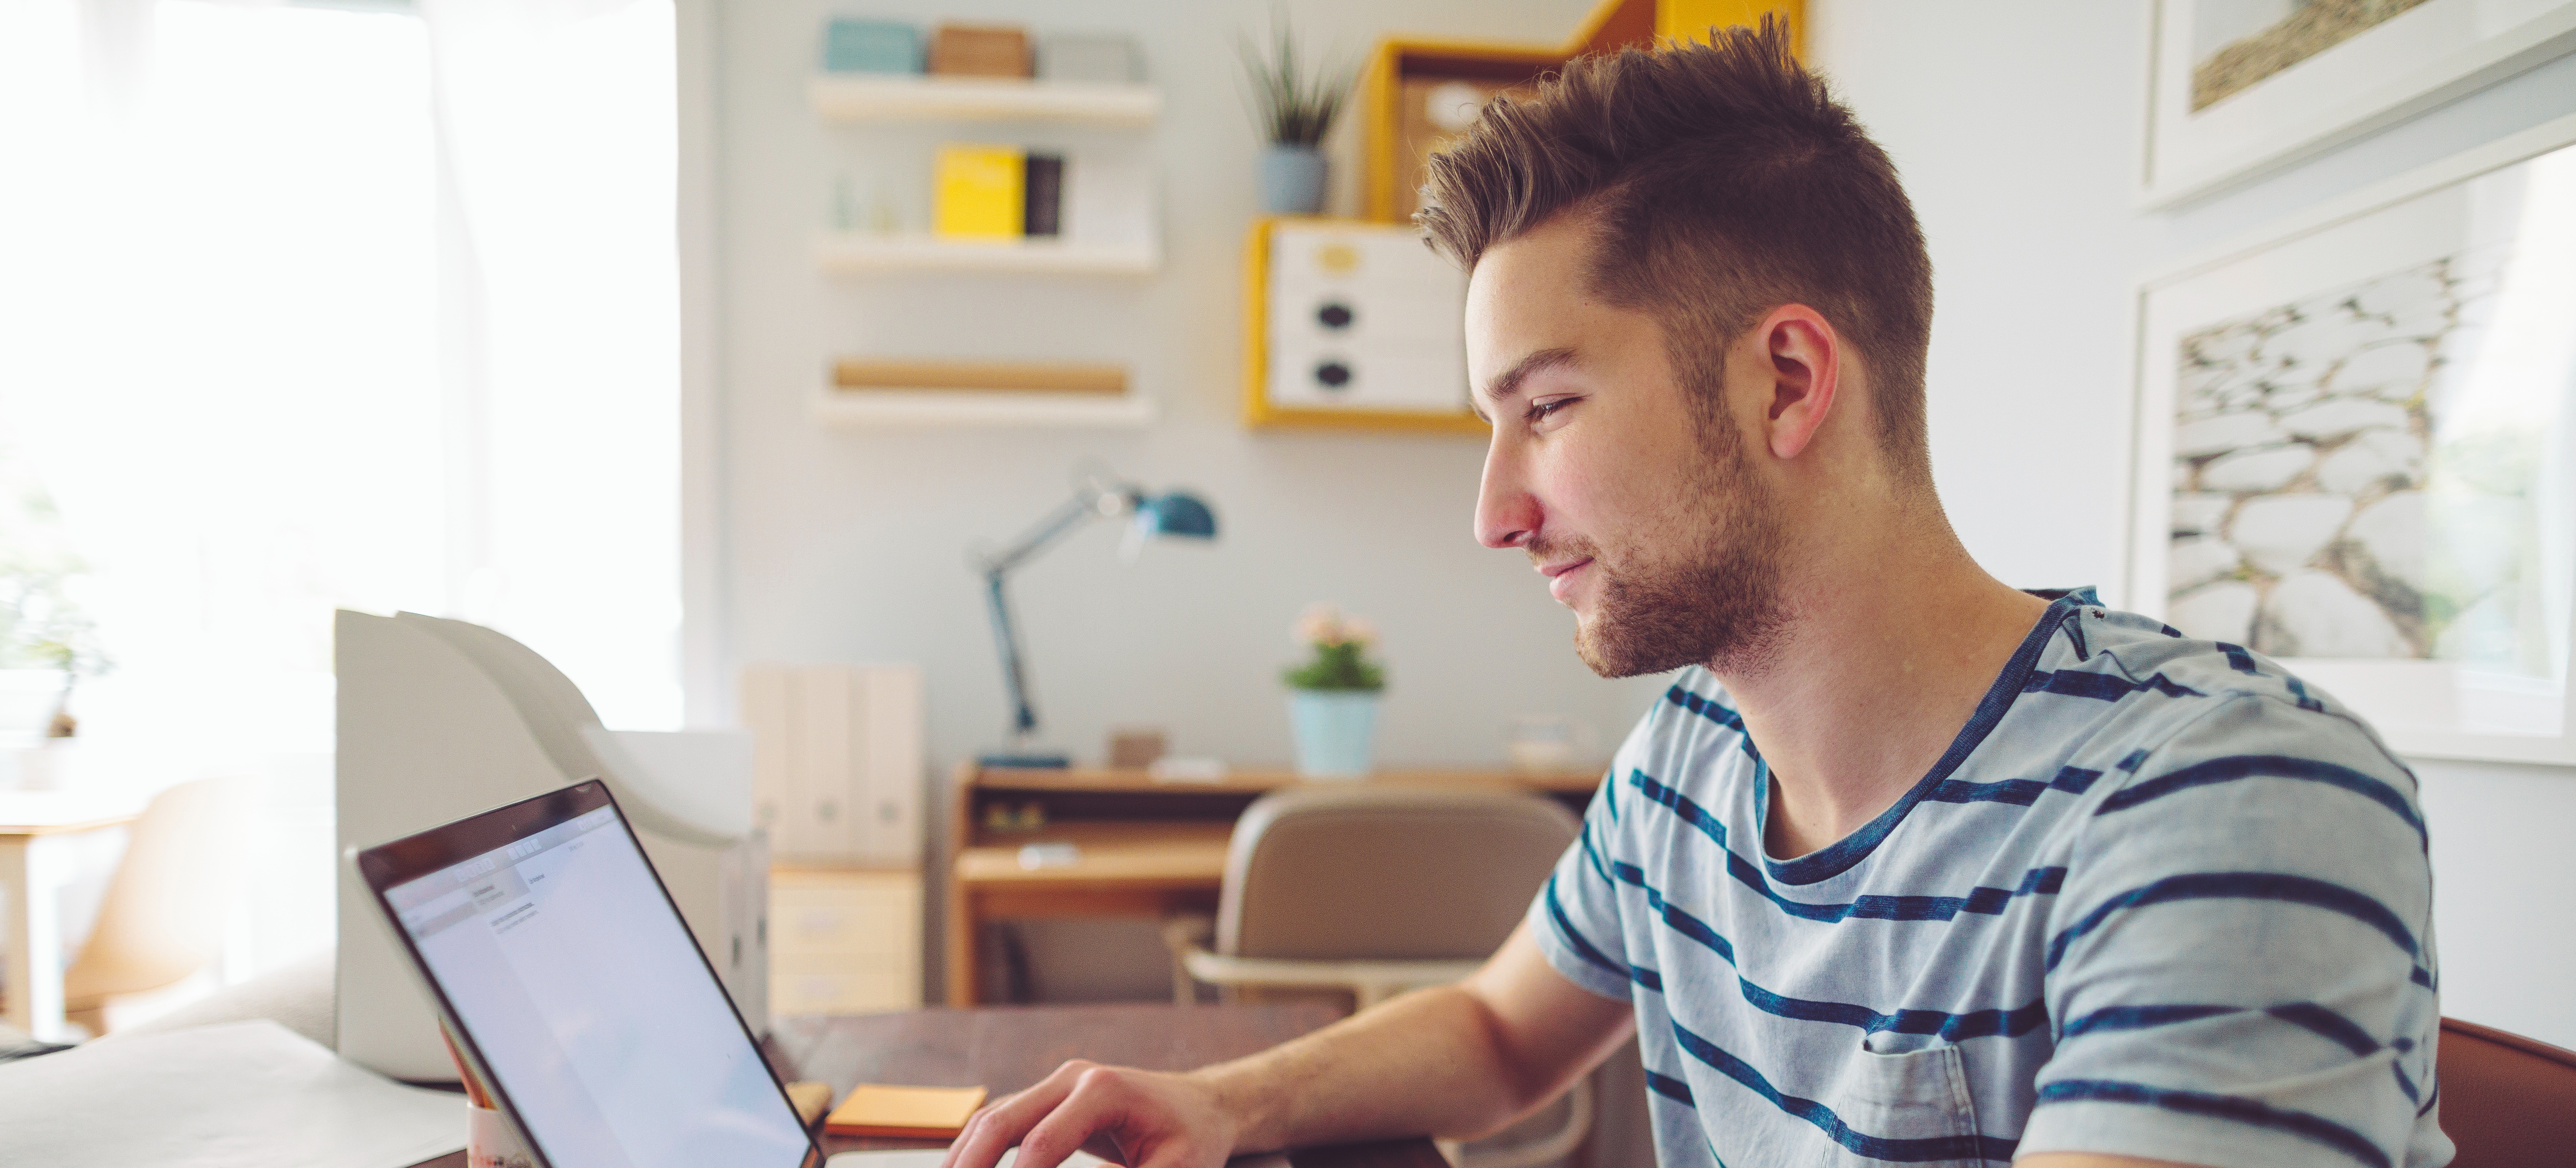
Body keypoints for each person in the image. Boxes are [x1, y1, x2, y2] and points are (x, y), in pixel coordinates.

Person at [940, 19, 2445, 1168]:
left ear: (1786, 380)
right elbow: (1493, 1031)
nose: (1493, 512)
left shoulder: (2227, 799)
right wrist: (1217, 1100)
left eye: (1548, 408)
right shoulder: (1693, 755)